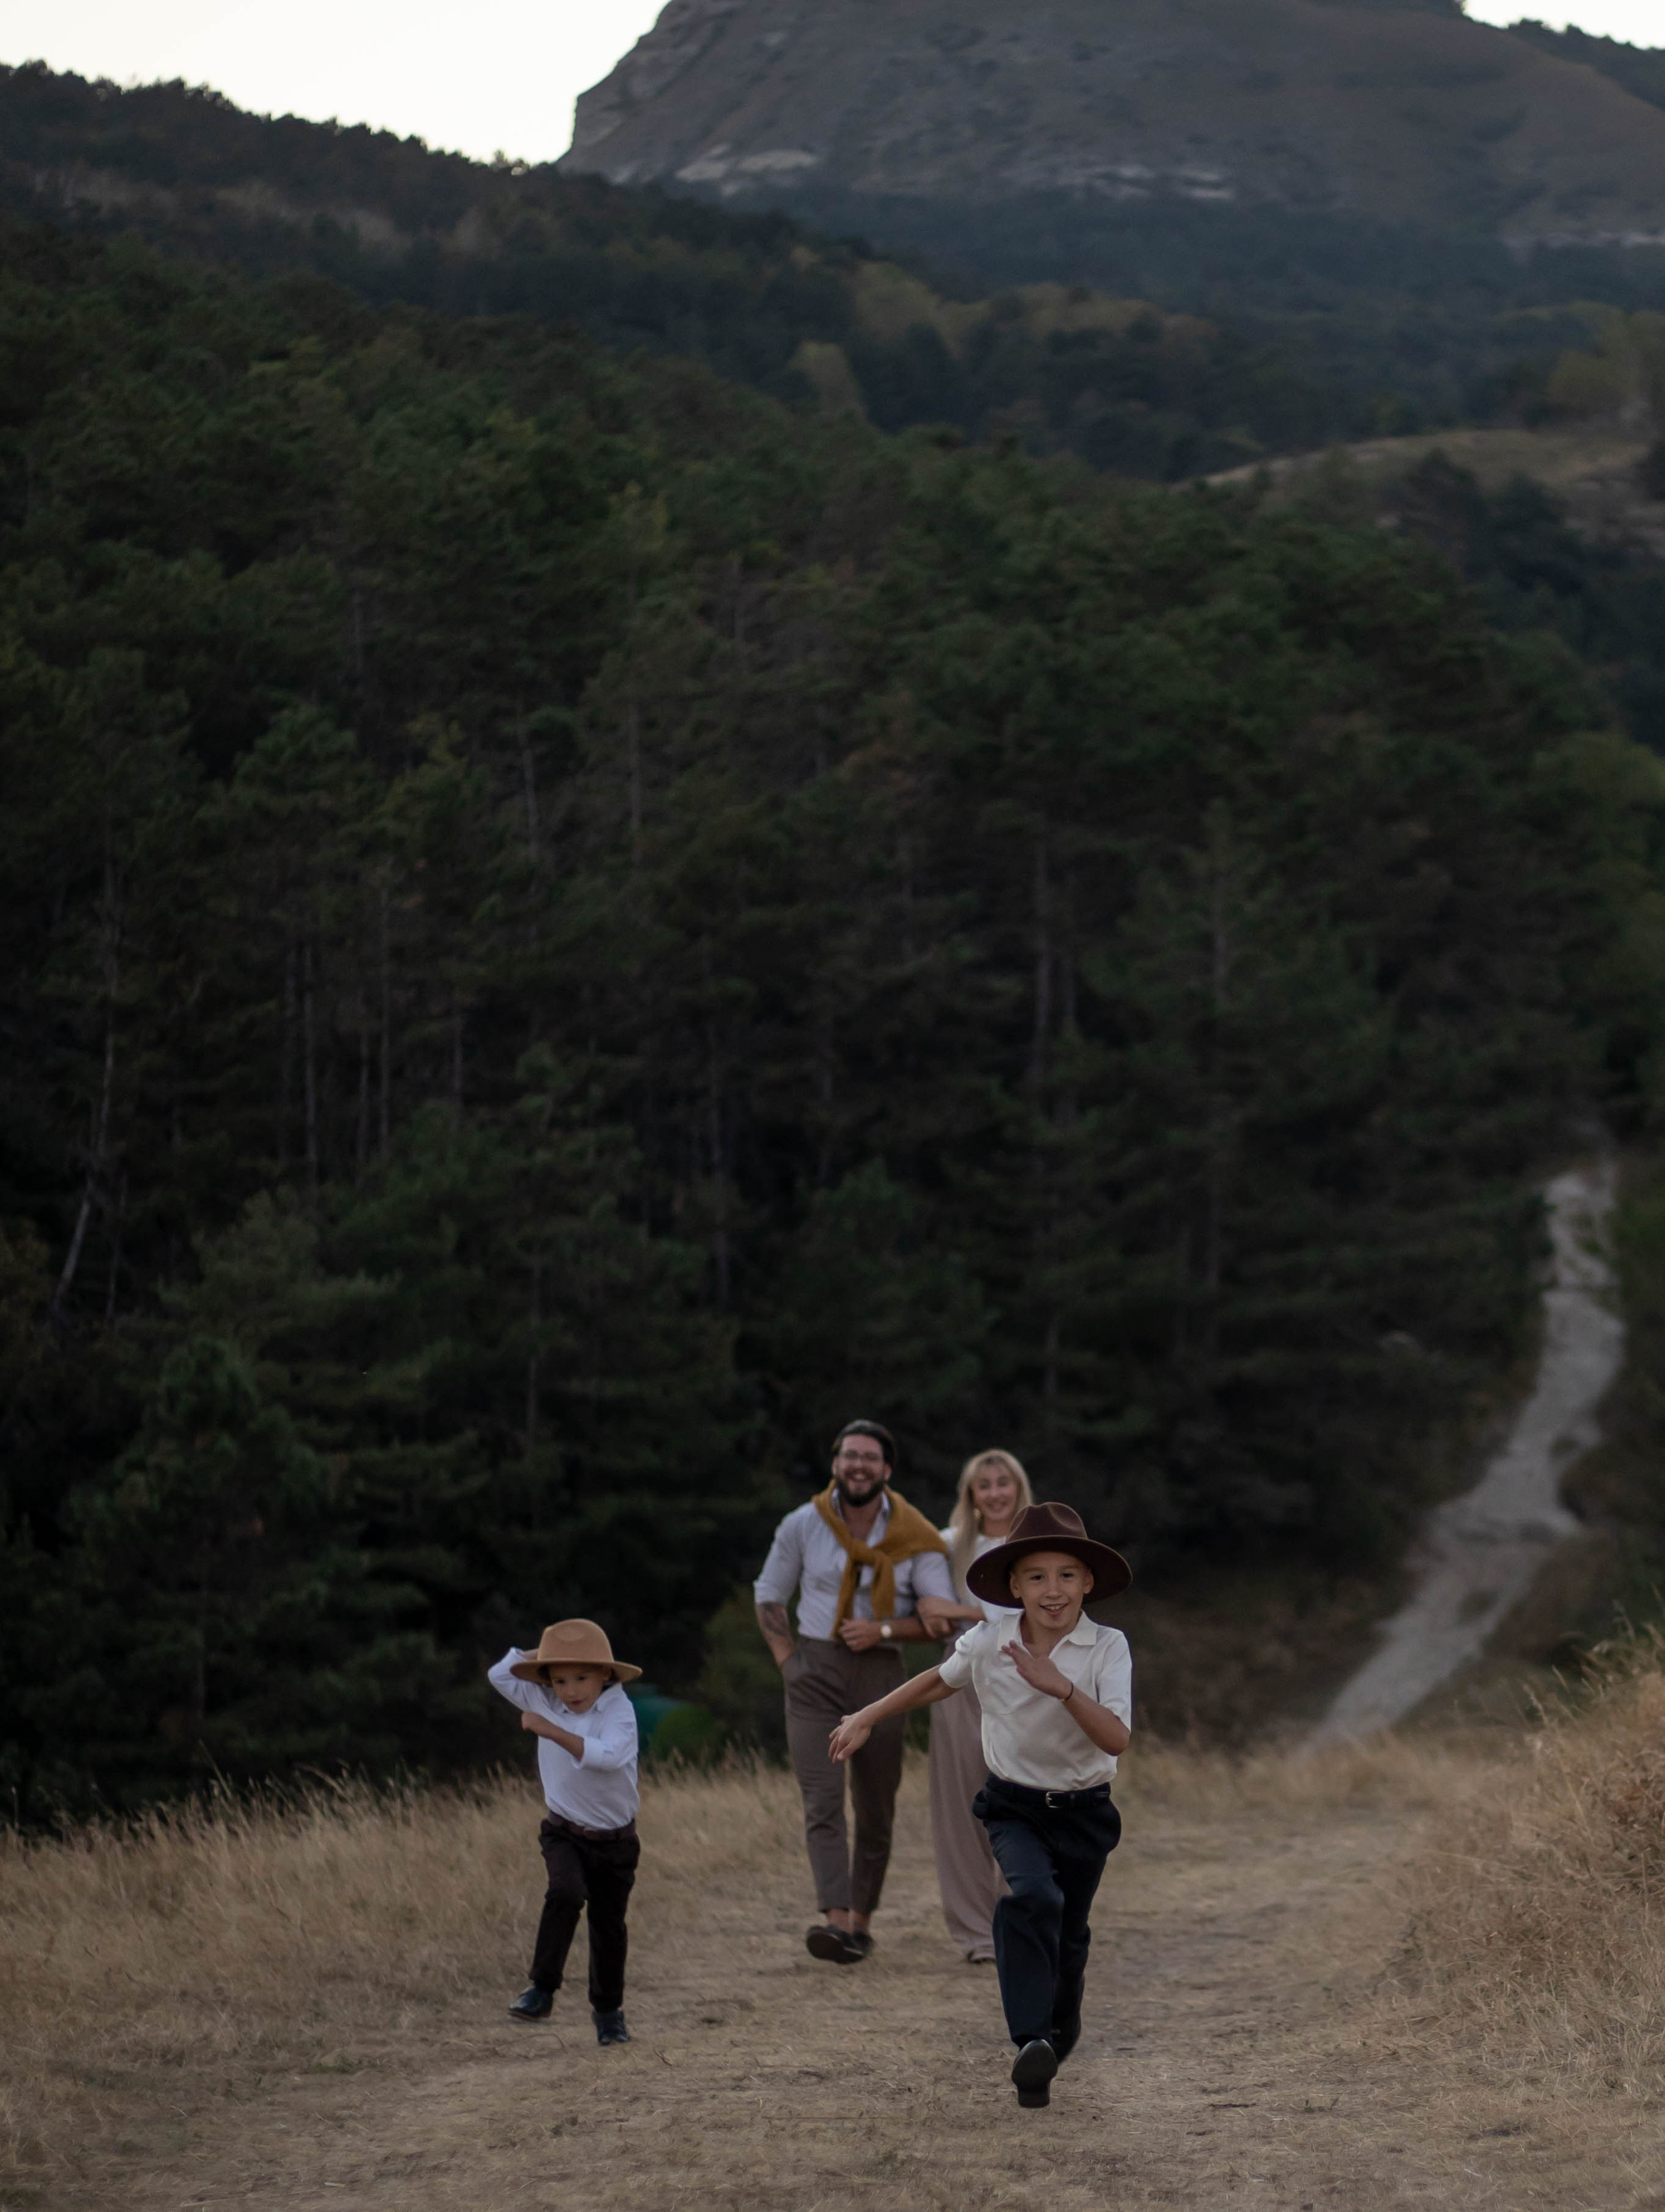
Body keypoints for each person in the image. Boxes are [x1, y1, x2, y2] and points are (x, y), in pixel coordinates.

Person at [829, 1502, 1132, 2109]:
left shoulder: (1107, 1646)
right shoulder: (991, 1639)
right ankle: (1029, 2042)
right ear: (1014, 1585)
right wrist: (867, 1714)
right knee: (1029, 1897)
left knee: (1069, 1938)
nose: (1053, 1590)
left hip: (1084, 1810)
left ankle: (1056, 2032)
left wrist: (1061, 1687)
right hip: (1014, 1805)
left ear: (1088, 1581)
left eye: (1067, 1574)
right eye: (1037, 1576)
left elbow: (1116, 1737)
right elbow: (941, 1678)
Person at [753, 1418, 956, 1964]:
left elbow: (937, 1621)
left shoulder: (916, 1535)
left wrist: (884, 1628)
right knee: (821, 1798)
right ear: (836, 1463)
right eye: (849, 1455)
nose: (858, 1465)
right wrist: (789, 1663)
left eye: (869, 1457)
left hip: (883, 1674)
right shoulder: (802, 1524)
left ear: (887, 1470)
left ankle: (862, 1921)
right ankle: (834, 1922)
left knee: (875, 1803)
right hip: (814, 1668)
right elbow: (770, 1595)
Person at [486, 1618, 643, 2046]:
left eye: (581, 1676)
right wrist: (548, 1651)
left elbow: (608, 1757)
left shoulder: (619, 1709)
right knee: (565, 1893)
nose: (570, 1690)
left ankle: (609, 2014)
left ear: (605, 1673)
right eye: (559, 1679)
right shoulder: (544, 1695)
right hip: (564, 1831)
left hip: (616, 1841)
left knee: (609, 1927)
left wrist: (547, 1729)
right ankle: (541, 1988)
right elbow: (499, 1673)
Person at [929, 1449, 1035, 1962]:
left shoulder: (1037, 1540)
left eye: (1003, 1482)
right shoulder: (948, 1546)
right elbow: (926, 1604)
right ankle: (974, 1933)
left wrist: (963, 1609)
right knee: (963, 1800)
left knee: (1025, 1791)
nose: (994, 1492)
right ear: (970, 1495)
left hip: (1027, 1670)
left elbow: (1036, 1610)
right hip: (961, 1674)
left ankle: (1025, 1913)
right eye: (983, 1485)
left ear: (1018, 1486)